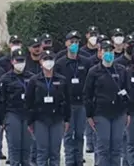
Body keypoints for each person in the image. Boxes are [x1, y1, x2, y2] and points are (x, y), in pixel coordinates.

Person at [81, 40, 127, 166]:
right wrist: (89, 115)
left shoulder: (121, 70)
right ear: (100, 52)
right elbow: (87, 94)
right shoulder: (94, 71)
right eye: (106, 50)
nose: (109, 53)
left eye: (111, 51)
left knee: (117, 146)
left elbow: (127, 91)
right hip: (101, 113)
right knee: (103, 146)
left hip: (118, 113)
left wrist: (127, 112)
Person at [54, 31, 90, 166]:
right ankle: (69, 160)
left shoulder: (85, 61)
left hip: (81, 103)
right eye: (72, 42)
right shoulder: (60, 63)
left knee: (80, 134)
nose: (74, 44)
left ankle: (79, 159)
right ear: (66, 43)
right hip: (67, 104)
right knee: (68, 134)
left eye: (76, 42)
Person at [26, 50, 67, 166]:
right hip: (40, 119)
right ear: (40, 61)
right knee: (42, 151)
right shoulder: (34, 80)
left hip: (57, 118)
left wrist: (67, 119)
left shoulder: (62, 80)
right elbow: (29, 102)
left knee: (55, 151)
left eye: (51, 59)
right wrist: (30, 121)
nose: (48, 62)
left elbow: (67, 100)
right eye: (45, 59)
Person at [0, 49, 33, 166]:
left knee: (27, 147)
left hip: (27, 114)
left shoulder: (32, 78)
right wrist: (2, 120)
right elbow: (1, 100)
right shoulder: (5, 79)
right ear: (12, 61)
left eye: (22, 61)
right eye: (17, 61)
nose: (20, 63)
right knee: (14, 146)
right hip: (12, 113)